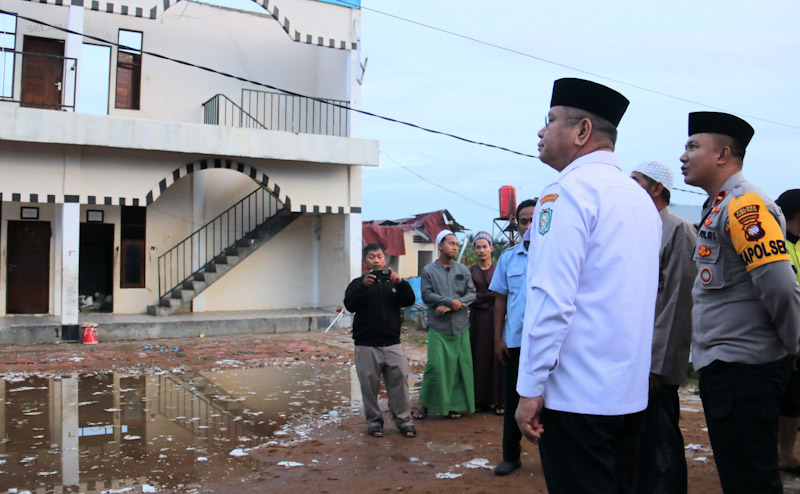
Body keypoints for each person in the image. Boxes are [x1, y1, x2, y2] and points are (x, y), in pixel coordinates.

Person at [514, 78, 662, 493]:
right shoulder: (638, 198)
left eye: (551, 121)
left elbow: (551, 302)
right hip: (629, 396)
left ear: (582, 131)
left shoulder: (567, 194)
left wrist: (529, 390)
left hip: (577, 399)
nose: (541, 132)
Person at [679, 112, 800, 493]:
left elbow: (780, 286)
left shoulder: (744, 207)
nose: (683, 156)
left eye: (693, 146)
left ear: (723, 154)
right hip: (729, 368)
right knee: (741, 477)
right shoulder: (719, 206)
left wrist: (795, 347)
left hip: (745, 371)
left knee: (751, 480)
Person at [631, 160, 697, 493]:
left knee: (661, 443)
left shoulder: (678, 229)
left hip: (654, 363)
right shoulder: (635, 229)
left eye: (637, 181)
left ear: (657, 188)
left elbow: (677, 302)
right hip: (631, 357)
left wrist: (658, 364)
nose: (630, 187)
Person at [343, 243, 417, 438]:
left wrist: (400, 283)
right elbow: (349, 305)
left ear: (385, 260)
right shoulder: (357, 284)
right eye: (371, 257)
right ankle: (374, 423)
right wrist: (362, 286)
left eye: (379, 256)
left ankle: (404, 422)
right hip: (366, 345)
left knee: (400, 384)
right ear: (365, 261)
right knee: (369, 388)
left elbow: (409, 300)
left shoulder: (394, 282)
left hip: (393, 343)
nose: (375, 260)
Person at [489, 198, 537, 476]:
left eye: (533, 220)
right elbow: (500, 301)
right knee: (513, 400)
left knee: (554, 404)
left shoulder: (556, 254)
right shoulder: (508, 258)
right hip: (516, 343)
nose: (528, 226)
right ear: (517, 225)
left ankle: (555, 457)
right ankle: (511, 456)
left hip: (548, 345)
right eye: (523, 221)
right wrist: (498, 338)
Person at [415, 230, 477, 420]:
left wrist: (454, 305)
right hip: (438, 328)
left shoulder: (463, 270)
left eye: (456, 244)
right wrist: (448, 301)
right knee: (435, 366)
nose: (455, 247)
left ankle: (453, 407)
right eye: (450, 243)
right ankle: (425, 405)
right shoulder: (429, 271)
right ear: (440, 246)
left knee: (459, 367)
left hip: (460, 326)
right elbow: (426, 295)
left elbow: (472, 293)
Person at [774, 189, 800, 474]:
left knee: (793, 400)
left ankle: (787, 453)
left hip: (797, 335)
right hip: (779, 336)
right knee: (776, 398)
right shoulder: (776, 243)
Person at [468, 231, 503, 414]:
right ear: (474, 249)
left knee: (498, 356)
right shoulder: (469, 272)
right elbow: (468, 297)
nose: (482, 250)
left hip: (497, 318)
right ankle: (478, 399)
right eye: (478, 247)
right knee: (478, 356)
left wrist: (485, 298)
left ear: (492, 248)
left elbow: (503, 295)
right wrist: (487, 297)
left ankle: (499, 400)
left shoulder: (499, 270)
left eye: (485, 246)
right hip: (476, 320)